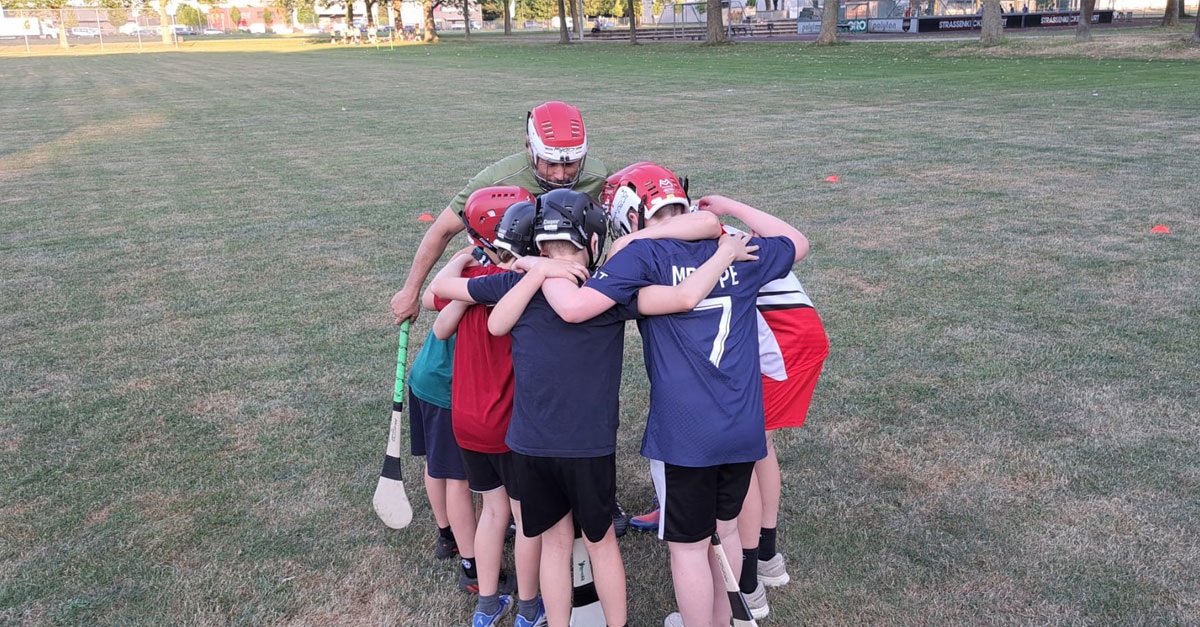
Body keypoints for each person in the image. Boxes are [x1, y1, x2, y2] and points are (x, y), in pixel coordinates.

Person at [438, 189, 757, 627]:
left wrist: (537, 271)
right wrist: (722, 255)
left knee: (554, 543)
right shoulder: (610, 287)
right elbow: (682, 297)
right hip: (588, 445)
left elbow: (446, 291)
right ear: (592, 241)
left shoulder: (518, 282)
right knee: (600, 541)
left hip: (531, 443)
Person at [535, 164, 809, 627]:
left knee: (688, 550)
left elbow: (576, 309)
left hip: (686, 431)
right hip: (742, 424)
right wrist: (725, 208)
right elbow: (797, 241)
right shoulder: (734, 248)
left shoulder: (640, 258)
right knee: (721, 534)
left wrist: (543, 267)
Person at [431, 186, 589, 627]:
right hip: (508, 426)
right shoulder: (529, 290)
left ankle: (487, 604)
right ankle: (528, 607)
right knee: (526, 521)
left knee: (493, 512)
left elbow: (441, 325)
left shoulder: (476, 287)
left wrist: (464, 260)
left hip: (467, 422)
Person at [390, 101, 609, 326]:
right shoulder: (497, 179)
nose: (560, 175)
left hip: (567, 285)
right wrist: (410, 291)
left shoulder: (599, 176)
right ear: (529, 147)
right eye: (550, 163)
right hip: (508, 282)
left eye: (571, 164)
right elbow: (442, 231)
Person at [407, 285, 478, 574]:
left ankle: (446, 536)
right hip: (445, 389)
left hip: (424, 377)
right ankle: (471, 565)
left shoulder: (464, 273)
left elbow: (428, 297)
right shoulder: (495, 282)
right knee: (457, 478)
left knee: (436, 465)